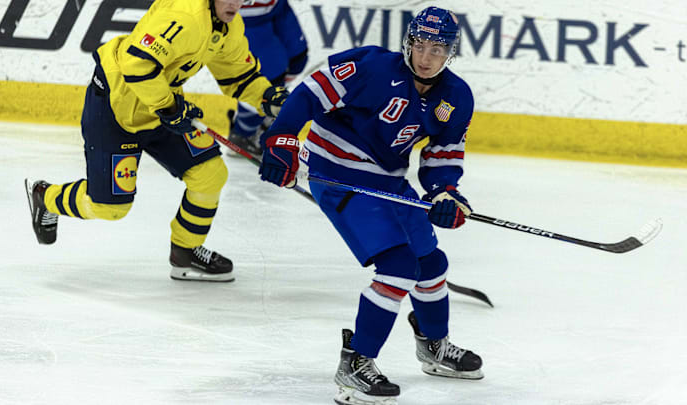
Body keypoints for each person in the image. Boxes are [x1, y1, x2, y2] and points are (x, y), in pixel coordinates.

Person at [257, 6, 483, 404]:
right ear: (408, 43)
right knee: (397, 267)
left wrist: (445, 194)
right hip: (337, 174)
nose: (426, 57)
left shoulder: (456, 96)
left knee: (430, 264)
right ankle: (356, 363)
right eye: (420, 45)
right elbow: (309, 95)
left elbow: (442, 155)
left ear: (451, 52)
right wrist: (283, 141)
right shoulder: (371, 66)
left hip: (389, 180)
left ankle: (434, 346)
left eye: (437, 49)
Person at [24, 0, 288, 282]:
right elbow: (136, 64)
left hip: (160, 107)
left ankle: (185, 252)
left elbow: (239, 76)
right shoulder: (185, 15)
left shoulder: (228, 25)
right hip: (115, 106)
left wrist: (267, 98)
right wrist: (170, 108)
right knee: (110, 208)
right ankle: (45, 197)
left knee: (210, 174)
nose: (237, 3)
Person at [227, 0, 308, 155]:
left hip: (268, 20)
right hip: (239, 28)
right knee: (263, 80)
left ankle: (255, 123)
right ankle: (244, 133)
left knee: (291, 64)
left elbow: (281, 10)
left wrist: (297, 52)